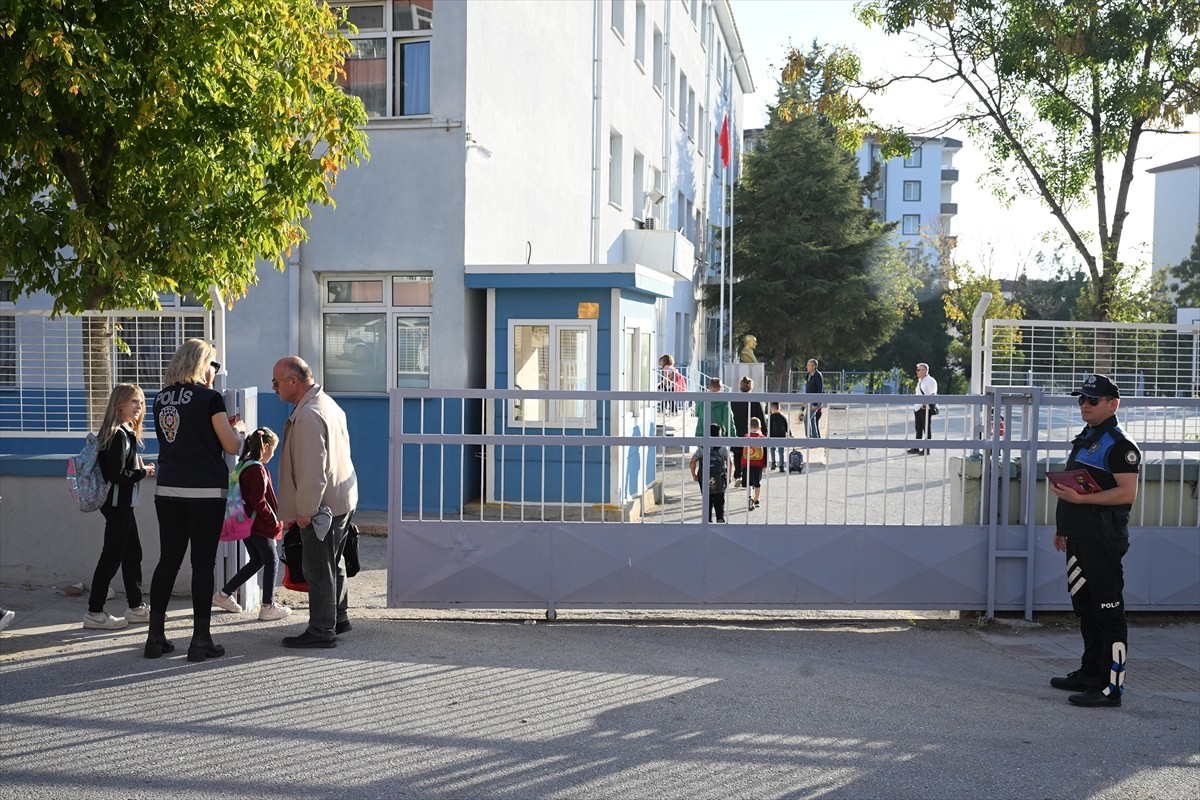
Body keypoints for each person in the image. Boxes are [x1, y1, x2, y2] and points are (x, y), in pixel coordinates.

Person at [146, 340, 245, 662]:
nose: (214, 372)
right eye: (213, 365)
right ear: (202, 365)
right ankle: (200, 639)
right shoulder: (209, 398)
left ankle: (155, 637)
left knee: (168, 560)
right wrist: (238, 430)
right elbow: (231, 446)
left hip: (168, 488)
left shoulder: (161, 398)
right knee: (203, 564)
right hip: (204, 491)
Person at [1049, 373, 1140, 708]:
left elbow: (1126, 494)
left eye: (1092, 400)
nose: (1084, 405)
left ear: (1113, 404)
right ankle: (1090, 673)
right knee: (1086, 610)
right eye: (1081, 399)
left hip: (1102, 540)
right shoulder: (1089, 436)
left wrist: (1082, 501)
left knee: (1107, 612)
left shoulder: (1119, 444)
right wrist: (1064, 527)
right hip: (1078, 537)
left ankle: (1111, 686)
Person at [274, 356, 359, 649]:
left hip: (321, 506)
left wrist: (305, 511)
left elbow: (313, 470)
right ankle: (338, 617)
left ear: (293, 382)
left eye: (276, 382)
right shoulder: (326, 403)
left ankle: (322, 630)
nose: (273, 388)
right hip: (340, 499)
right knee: (333, 562)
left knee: (317, 568)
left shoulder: (309, 414)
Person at [84, 384, 156, 630]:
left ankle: (135, 608)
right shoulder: (116, 435)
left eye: (141, 402)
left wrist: (137, 471)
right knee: (111, 558)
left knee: (132, 554)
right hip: (117, 505)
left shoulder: (124, 432)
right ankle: (95, 612)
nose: (139, 406)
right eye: (134, 401)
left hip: (123, 504)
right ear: (120, 404)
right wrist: (142, 472)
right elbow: (116, 475)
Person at [212, 427, 291, 621]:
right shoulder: (257, 469)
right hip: (260, 524)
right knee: (271, 560)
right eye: (273, 449)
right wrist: (273, 520)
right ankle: (268, 606)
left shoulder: (244, 464)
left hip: (246, 523)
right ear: (265, 446)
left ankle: (224, 594)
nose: (273, 453)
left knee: (257, 560)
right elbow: (259, 501)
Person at [689, 423, 732, 523]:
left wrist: (694, 475)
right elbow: (730, 462)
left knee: (706, 499)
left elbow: (692, 462)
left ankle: (707, 520)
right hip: (719, 478)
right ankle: (720, 518)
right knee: (720, 499)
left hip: (704, 479)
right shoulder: (722, 448)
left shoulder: (702, 448)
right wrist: (729, 476)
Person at [730, 376, 765, 488]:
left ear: (740, 386)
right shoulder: (755, 401)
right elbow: (761, 418)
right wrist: (764, 432)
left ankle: (737, 475)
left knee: (737, 454)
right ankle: (747, 478)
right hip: (752, 433)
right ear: (751, 387)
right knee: (750, 457)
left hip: (737, 431)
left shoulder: (734, 400)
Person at [909, 362, 937, 455]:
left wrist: (925, 404)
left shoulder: (930, 381)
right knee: (918, 428)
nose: (916, 372)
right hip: (918, 407)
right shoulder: (920, 381)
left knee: (926, 428)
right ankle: (916, 447)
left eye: (918, 370)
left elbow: (933, 394)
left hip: (925, 408)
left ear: (924, 371)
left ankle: (927, 449)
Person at [741, 417, 768, 510]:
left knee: (749, 483)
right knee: (757, 483)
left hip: (747, 463)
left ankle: (749, 497)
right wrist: (765, 465)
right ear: (760, 427)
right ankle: (757, 500)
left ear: (749, 427)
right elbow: (765, 452)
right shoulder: (763, 438)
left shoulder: (746, 436)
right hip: (758, 464)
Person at [804, 359, 824, 438]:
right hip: (809, 400)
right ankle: (815, 438)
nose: (807, 367)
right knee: (812, 420)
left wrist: (816, 403)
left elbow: (820, 390)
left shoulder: (818, 375)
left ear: (814, 366)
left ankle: (809, 438)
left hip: (815, 400)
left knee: (806, 419)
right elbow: (808, 389)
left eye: (808, 365)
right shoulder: (809, 375)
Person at [768, 402, 790, 471]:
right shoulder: (782, 417)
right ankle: (781, 466)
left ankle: (773, 463)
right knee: (781, 451)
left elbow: (769, 427)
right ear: (779, 408)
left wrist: (767, 434)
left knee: (772, 449)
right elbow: (786, 426)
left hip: (772, 436)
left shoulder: (770, 417)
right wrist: (789, 433)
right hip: (781, 436)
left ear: (771, 409)